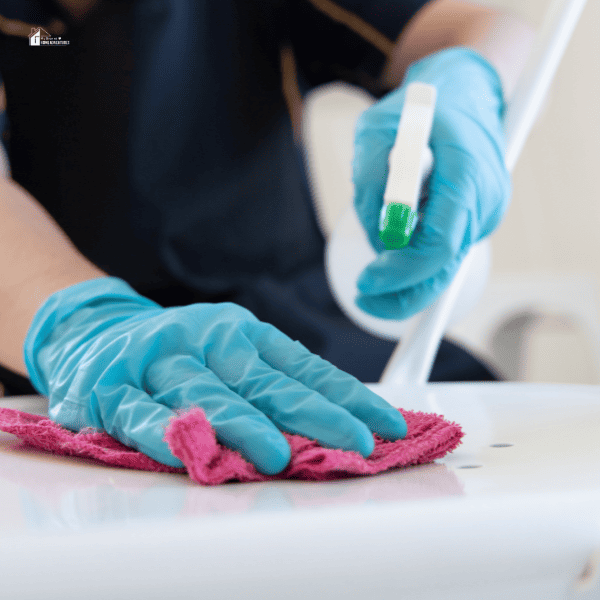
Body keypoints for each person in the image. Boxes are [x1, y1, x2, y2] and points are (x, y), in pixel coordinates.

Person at [0, 0, 534, 474]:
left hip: (310, 341)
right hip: (68, 368)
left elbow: (481, 24)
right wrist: (80, 323)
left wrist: (464, 77)